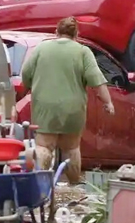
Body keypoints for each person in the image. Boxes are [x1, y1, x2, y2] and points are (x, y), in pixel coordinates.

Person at [20, 17, 114, 184]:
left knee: (44, 147)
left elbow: (25, 74)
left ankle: (40, 186)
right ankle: (73, 186)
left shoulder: (41, 48)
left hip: (45, 108)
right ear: (76, 34)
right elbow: (97, 80)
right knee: (71, 149)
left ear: (56, 32)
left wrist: (25, 90)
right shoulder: (83, 51)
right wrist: (108, 102)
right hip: (73, 109)